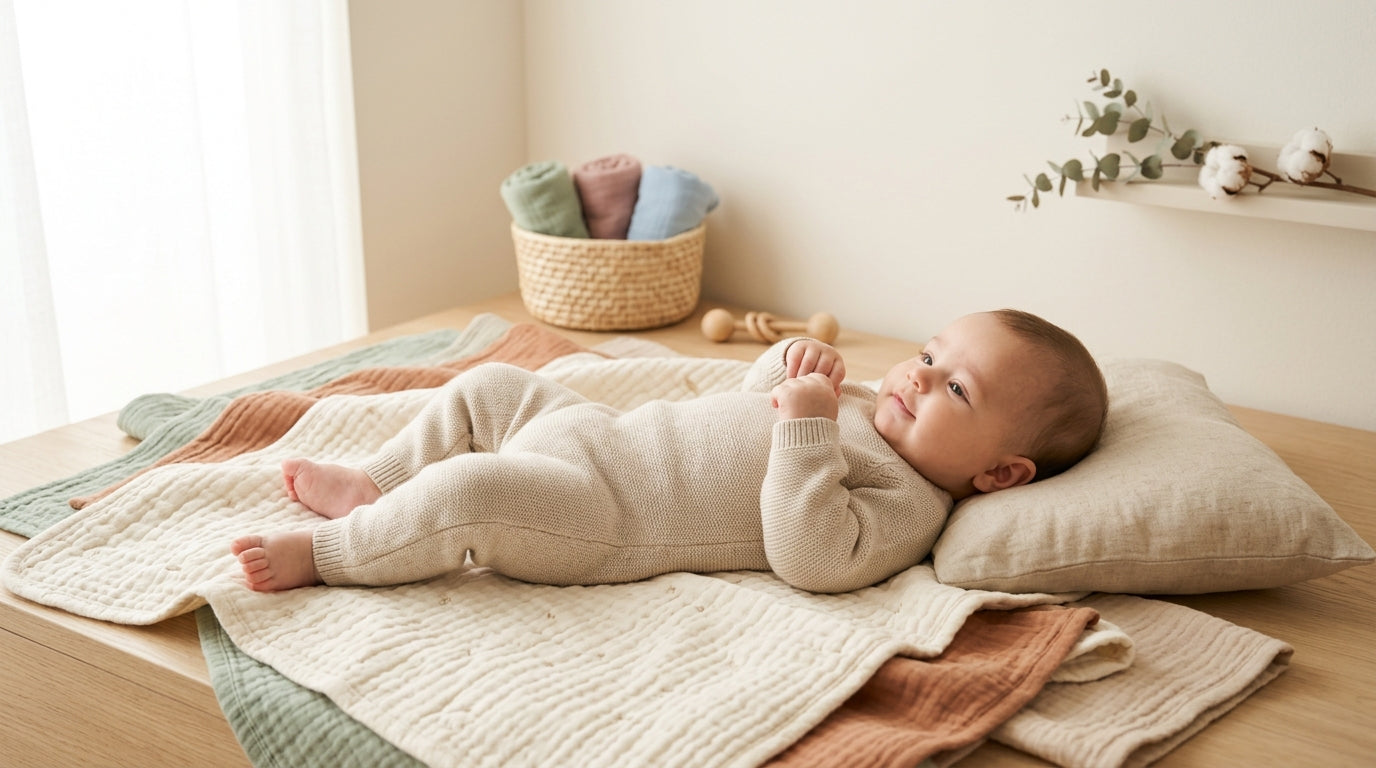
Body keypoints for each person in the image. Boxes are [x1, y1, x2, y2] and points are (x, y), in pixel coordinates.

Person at [232, 309, 1107, 595]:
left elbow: (807, 555)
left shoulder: (911, 504)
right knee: (489, 388)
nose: (918, 379)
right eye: (928, 357)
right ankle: (373, 481)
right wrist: (787, 367)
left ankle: (337, 551)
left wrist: (805, 427)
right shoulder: (868, 404)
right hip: (596, 435)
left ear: (1000, 474)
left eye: (957, 391)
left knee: (470, 490)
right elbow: (739, 407)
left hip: (600, 509)